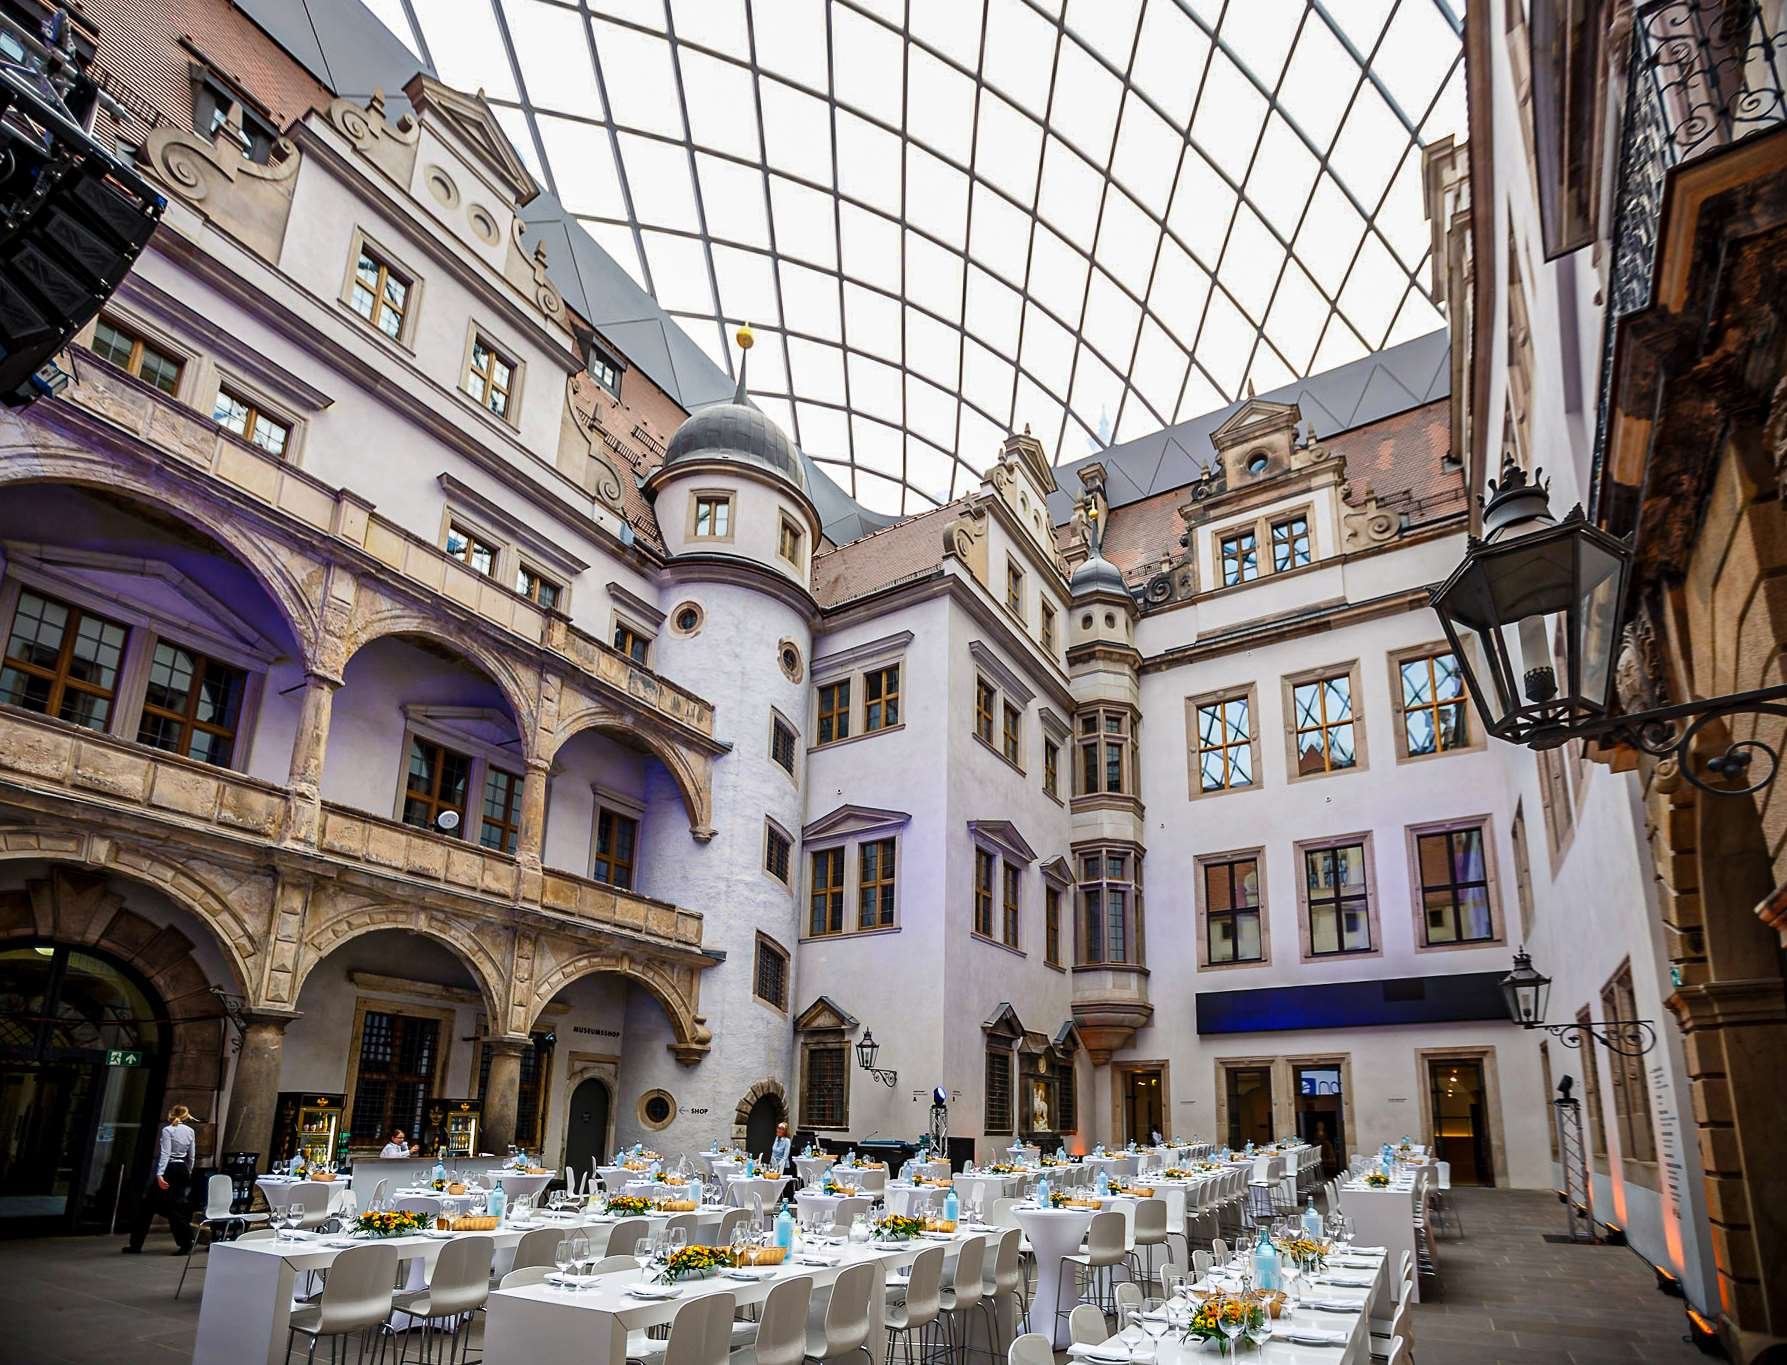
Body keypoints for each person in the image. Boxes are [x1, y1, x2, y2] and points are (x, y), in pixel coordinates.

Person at [123, 1104, 196, 1254]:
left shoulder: (168, 1130)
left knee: (149, 1206)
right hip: (181, 1168)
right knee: (173, 1206)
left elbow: (165, 1153)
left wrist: (159, 1174)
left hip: (168, 1168)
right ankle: (186, 1240)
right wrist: (188, 1171)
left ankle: (136, 1244)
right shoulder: (190, 1131)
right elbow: (192, 1156)